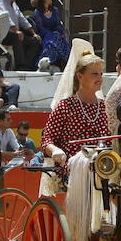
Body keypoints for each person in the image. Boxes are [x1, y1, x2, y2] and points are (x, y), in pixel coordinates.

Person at [41, 41, 109, 172]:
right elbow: (47, 139)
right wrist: (55, 150)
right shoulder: (65, 106)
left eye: (101, 74)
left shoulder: (105, 107)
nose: (100, 78)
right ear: (80, 76)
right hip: (74, 172)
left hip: (102, 172)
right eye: (94, 74)